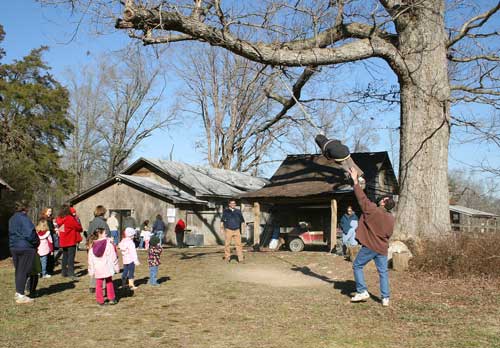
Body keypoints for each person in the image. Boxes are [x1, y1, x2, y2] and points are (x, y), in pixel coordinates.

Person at [348, 167, 395, 307]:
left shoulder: (373, 210)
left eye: (383, 199)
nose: (381, 199)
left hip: (370, 246)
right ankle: (385, 298)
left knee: (357, 265)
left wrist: (355, 181)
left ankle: (362, 291)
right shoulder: (391, 218)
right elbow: (388, 234)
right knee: (383, 272)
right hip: (382, 248)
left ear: (383, 203)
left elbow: (361, 198)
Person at [9, 201, 39, 304]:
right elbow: (30, 233)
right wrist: (36, 242)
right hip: (25, 247)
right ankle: (21, 295)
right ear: (24, 209)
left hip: (14, 246)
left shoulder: (12, 219)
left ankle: (18, 292)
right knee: (24, 271)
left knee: (19, 271)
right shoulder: (24, 218)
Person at [87, 228, 119, 306]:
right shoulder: (109, 244)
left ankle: (100, 300)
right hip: (107, 267)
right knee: (109, 282)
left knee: (99, 284)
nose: (106, 234)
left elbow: (90, 260)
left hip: (98, 268)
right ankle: (111, 298)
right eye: (105, 233)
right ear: (100, 234)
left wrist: (91, 271)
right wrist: (116, 267)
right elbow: (113, 256)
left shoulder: (92, 246)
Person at [56, 205, 83, 280]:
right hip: (70, 240)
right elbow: (78, 227)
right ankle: (71, 273)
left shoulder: (59, 218)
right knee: (71, 257)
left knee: (65, 256)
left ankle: (64, 272)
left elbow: (61, 230)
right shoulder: (69, 218)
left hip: (63, 240)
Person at [41, 208, 58, 273]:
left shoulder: (50, 219)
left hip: (51, 237)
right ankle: (46, 270)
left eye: (51, 211)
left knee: (51, 253)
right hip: (45, 238)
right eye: (49, 211)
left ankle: (50, 269)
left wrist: (55, 229)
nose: (50, 213)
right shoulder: (43, 219)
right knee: (46, 254)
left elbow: (52, 228)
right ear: (45, 211)